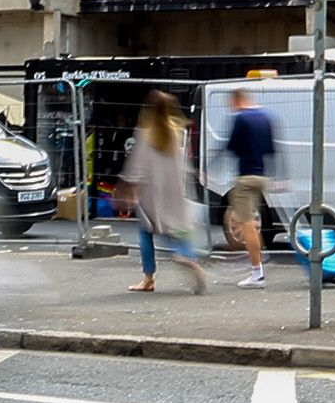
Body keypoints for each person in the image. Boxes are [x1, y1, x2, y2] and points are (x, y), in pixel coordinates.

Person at [118, 91, 206, 294]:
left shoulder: (145, 132)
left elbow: (137, 166)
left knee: (145, 232)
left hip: (151, 191)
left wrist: (128, 185)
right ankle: (186, 255)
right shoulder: (177, 132)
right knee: (178, 229)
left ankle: (148, 278)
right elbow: (185, 163)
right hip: (175, 188)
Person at [217, 86, 277, 286]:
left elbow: (232, 146)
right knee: (250, 221)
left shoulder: (241, 118)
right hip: (261, 176)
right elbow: (271, 148)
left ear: (236, 100)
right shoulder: (265, 117)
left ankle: (257, 271)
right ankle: (259, 258)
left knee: (246, 223)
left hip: (246, 177)